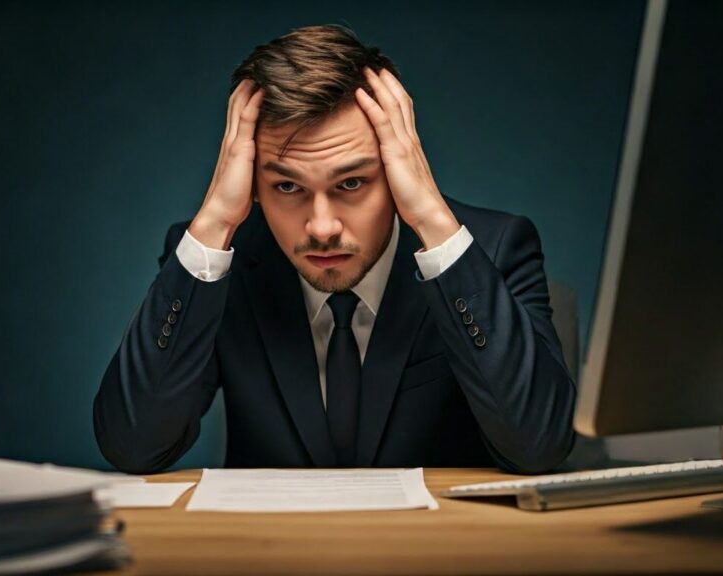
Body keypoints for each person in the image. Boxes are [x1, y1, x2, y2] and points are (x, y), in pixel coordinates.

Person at [93, 24, 576, 474]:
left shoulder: (492, 248)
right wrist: (216, 220)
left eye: (351, 182)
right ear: (253, 183)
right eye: (287, 187)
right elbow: (134, 446)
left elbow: (540, 447)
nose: (322, 227)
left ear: (395, 168)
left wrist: (432, 219)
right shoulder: (217, 261)